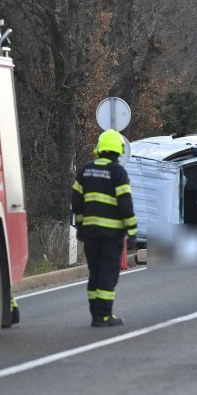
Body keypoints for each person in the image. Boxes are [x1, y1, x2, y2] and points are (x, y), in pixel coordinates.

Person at [71, 129, 137, 327]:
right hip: (111, 235)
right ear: (118, 150)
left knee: (96, 271)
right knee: (108, 273)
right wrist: (132, 231)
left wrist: (81, 226)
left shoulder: (85, 170)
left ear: (99, 148)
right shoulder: (118, 172)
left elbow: (76, 201)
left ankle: (95, 314)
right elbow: (125, 204)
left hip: (90, 233)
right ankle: (104, 315)